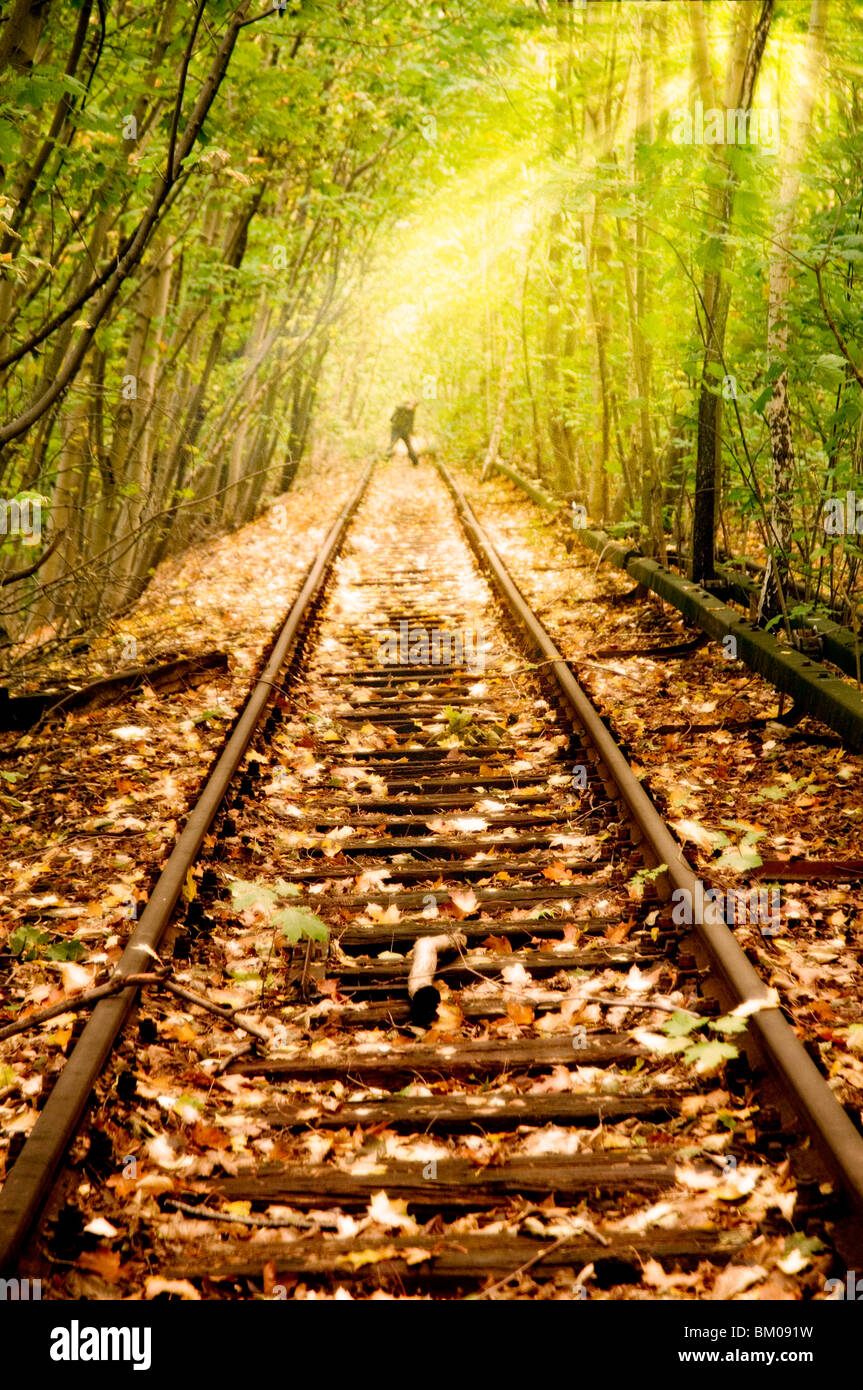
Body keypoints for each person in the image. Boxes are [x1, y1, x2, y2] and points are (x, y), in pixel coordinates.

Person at [386, 399, 419, 465]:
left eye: (414, 404)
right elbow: (397, 407)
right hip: (396, 429)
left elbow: (411, 422)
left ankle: (415, 461)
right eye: (412, 402)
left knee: (409, 446)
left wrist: (411, 432)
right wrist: (406, 406)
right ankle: (385, 459)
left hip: (404, 431)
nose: (412, 405)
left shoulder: (412, 411)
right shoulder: (402, 406)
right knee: (392, 444)